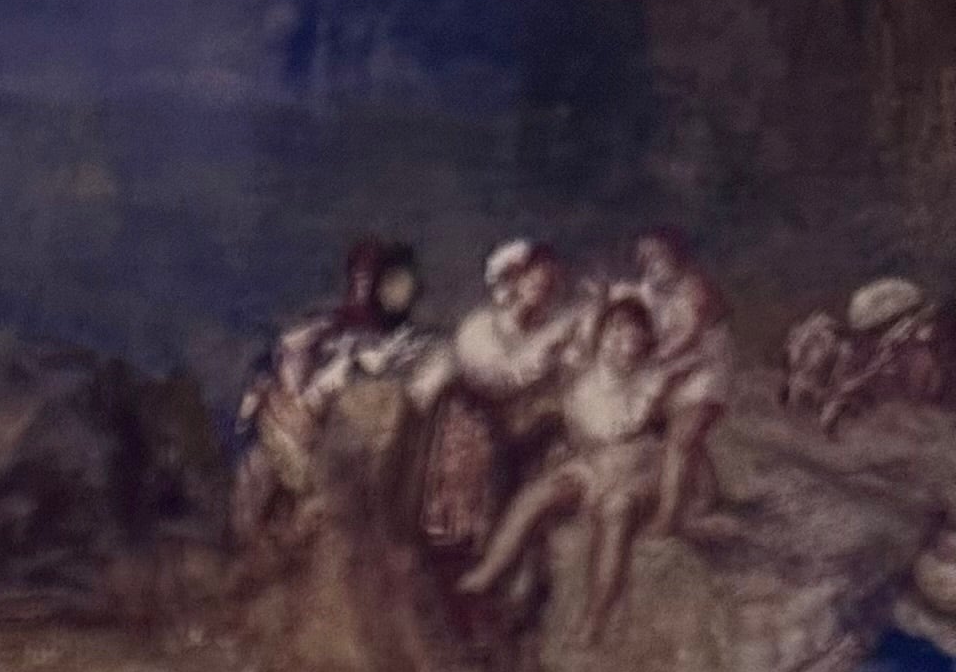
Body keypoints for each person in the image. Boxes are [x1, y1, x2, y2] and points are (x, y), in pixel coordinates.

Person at [460, 288, 672, 639]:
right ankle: (488, 572)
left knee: (616, 514)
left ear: (645, 342)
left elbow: (626, 426)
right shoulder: (584, 375)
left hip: (634, 470)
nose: (619, 342)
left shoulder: (652, 380)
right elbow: (571, 408)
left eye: (630, 336)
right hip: (591, 465)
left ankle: (595, 618)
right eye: (613, 332)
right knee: (538, 495)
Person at [406, 239, 590, 610]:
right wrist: (543, 359)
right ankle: (454, 576)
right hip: (468, 420)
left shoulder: (549, 333)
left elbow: (566, 379)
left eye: (549, 287)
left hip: (516, 432)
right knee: (469, 475)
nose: (540, 293)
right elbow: (493, 378)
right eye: (534, 283)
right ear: (516, 282)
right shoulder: (482, 325)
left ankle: (509, 582)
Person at [232, 238, 423, 545]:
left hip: (354, 447)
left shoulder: (402, 344)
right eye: (360, 277)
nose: (364, 286)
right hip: (299, 433)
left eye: (372, 278)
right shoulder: (326, 328)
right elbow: (287, 356)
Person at [617, 227, 731, 531]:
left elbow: (691, 334)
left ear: (675, 254)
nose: (650, 262)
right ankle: (710, 494)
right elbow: (625, 309)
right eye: (644, 257)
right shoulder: (648, 290)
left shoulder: (695, 285)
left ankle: (668, 519)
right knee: (670, 431)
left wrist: (651, 359)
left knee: (681, 439)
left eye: (657, 255)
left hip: (705, 369)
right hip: (673, 372)